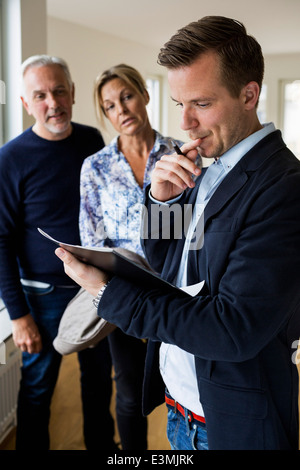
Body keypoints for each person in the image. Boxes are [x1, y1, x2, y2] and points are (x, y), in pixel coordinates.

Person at [56, 16, 300, 450]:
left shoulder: (283, 186)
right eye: (178, 104)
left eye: (201, 104)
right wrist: (163, 201)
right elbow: (171, 268)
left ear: (249, 94)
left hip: (229, 422)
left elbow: (233, 329)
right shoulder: (210, 167)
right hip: (182, 408)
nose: (185, 123)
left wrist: (106, 293)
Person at [0, 55, 116, 450]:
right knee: (36, 392)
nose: (53, 102)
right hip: (42, 296)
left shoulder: (91, 141)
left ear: (73, 93)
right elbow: (0, 240)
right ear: (25, 102)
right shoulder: (10, 159)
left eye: (59, 90)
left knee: (100, 384)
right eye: (41, 95)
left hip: (95, 287)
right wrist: (19, 316)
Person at [79, 63, 184, 449]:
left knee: (179, 386)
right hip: (120, 294)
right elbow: (90, 240)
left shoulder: (177, 153)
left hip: (173, 291)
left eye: (126, 96)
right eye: (109, 106)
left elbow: (191, 234)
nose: (121, 110)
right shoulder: (96, 167)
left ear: (144, 95)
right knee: (127, 390)